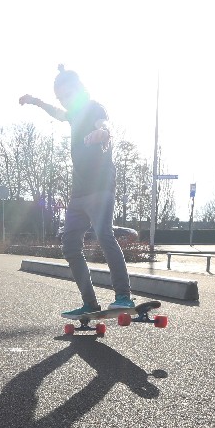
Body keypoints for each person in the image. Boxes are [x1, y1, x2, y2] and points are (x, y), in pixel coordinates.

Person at [20, 66, 136, 317]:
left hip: (100, 188)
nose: (65, 101)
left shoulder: (95, 108)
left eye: (68, 95)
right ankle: (90, 303)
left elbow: (105, 124)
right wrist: (36, 101)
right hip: (78, 194)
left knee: (104, 235)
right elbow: (56, 112)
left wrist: (103, 133)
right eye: (61, 98)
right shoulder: (72, 115)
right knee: (70, 245)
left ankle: (124, 297)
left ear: (80, 90)